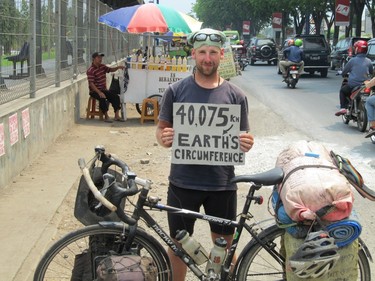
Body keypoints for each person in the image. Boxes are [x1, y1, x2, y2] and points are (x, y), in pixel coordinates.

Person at [155, 28, 254, 281]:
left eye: (212, 53)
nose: (207, 58)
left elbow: (244, 136)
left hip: (221, 185)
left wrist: (247, 142)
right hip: (182, 183)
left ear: (222, 55)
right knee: (178, 248)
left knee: (223, 247)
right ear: (193, 54)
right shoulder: (175, 91)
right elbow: (162, 130)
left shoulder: (236, 95)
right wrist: (165, 139)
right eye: (202, 52)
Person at [335, 40, 373, 116]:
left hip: (353, 85)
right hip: (365, 85)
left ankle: (343, 108)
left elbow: (344, 71)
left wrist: (341, 73)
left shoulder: (352, 61)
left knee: (342, 91)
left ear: (357, 49)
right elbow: (371, 72)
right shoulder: (369, 61)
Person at [86, 52, 125, 122]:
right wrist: (99, 92)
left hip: (103, 89)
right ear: (93, 59)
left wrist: (118, 67)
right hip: (94, 91)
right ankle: (106, 116)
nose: (100, 59)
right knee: (102, 97)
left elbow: (110, 70)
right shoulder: (90, 70)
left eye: (101, 58)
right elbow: (91, 84)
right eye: (98, 57)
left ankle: (116, 115)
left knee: (115, 97)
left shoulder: (102, 67)